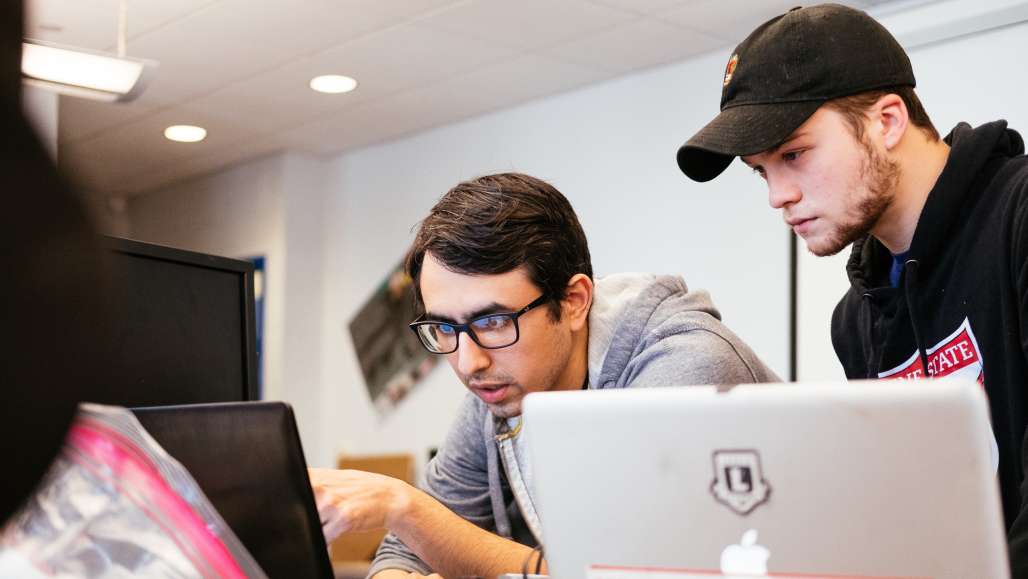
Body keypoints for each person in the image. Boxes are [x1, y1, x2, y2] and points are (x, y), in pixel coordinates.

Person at [676, 4, 1028, 574]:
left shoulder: (1019, 220)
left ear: (886, 121)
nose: (777, 196)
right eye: (762, 170)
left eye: (793, 154)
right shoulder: (856, 320)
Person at [310, 172, 777, 578]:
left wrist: (404, 507)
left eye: (493, 322)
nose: (469, 363)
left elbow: (618, 573)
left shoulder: (685, 369)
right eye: (444, 328)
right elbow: (405, 549)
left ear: (573, 302)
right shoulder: (496, 392)